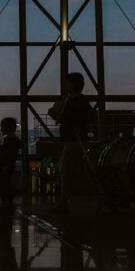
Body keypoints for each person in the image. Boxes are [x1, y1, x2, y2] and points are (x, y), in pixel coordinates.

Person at [49, 73, 93, 214]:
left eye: (66, 83)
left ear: (73, 84)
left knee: (66, 172)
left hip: (73, 141)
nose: (64, 86)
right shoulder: (79, 101)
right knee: (78, 171)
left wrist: (56, 113)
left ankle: (63, 203)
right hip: (76, 140)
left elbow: (66, 119)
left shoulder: (73, 102)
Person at [0, 117, 22, 210]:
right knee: (4, 183)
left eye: (2, 127)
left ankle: (8, 199)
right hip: (8, 166)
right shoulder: (13, 140)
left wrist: (5, 166)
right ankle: (8, 201)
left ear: (6, 128)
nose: (1, 129)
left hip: (5, 166)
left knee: (0, 182)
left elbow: (7, 155)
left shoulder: (9, 141)